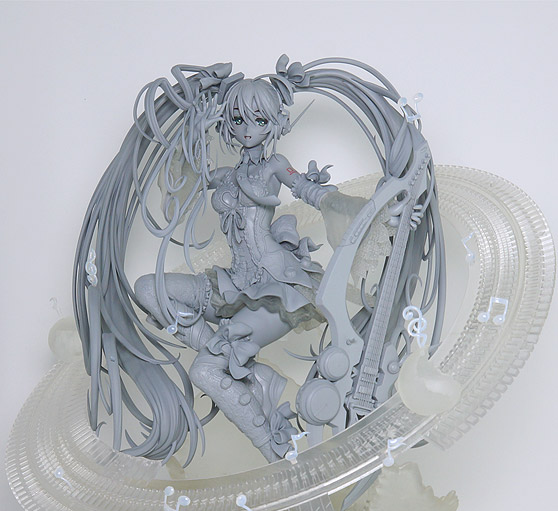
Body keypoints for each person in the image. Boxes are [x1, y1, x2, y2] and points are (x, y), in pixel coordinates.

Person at [73, 57, 445, 467]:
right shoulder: (226, 175)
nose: (248, 129)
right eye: (237, 119)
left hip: (275, 290)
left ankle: (277, 452)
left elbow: (316, 195)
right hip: (234, 284)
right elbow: (185, 176)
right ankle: (248, 372)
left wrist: (377, 213)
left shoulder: (274, 167)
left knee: (205, 372)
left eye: (259, 120)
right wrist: (193, 124)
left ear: (275, 123)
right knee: (148, 288)